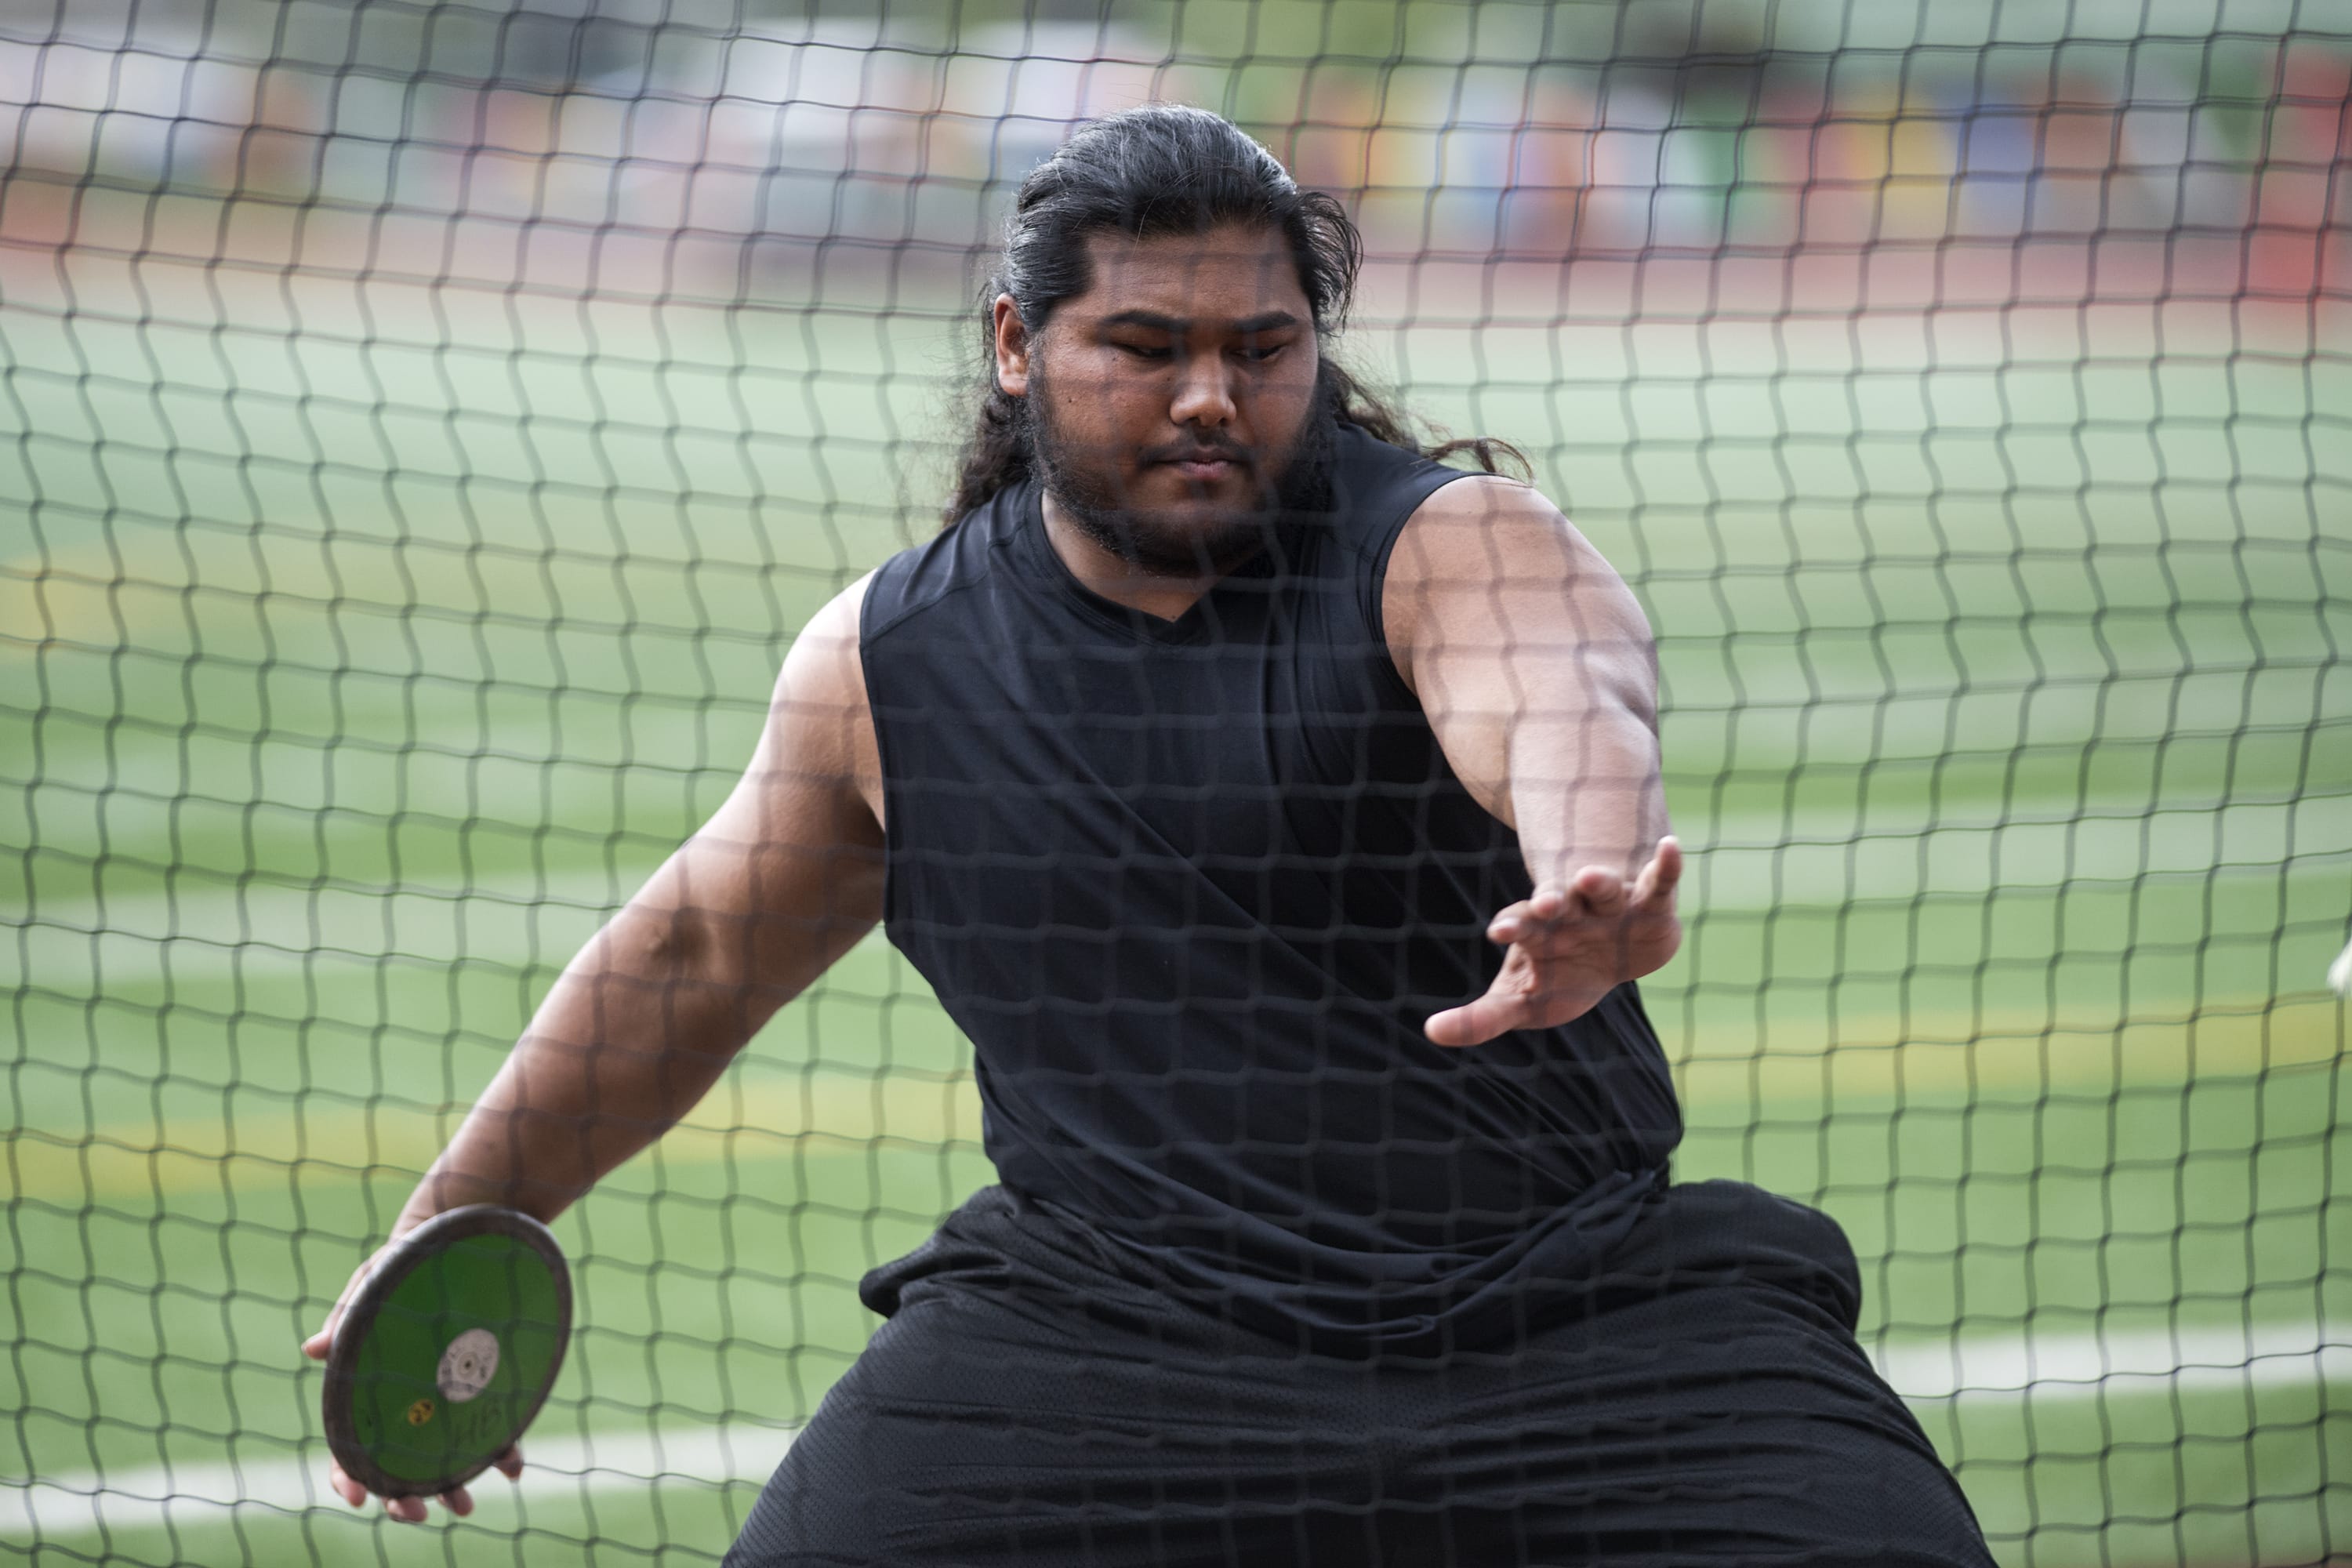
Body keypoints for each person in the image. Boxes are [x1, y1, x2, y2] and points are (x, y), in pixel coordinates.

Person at [307, 105, 1993, 1565]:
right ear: (1017, 345)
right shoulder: (889, 665)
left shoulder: (1459, 547)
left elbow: (1561, 702)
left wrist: (1589, 871)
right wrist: (442, 1237)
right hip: (1111, 1336)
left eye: (1260, 351)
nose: (1210, 395)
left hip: (1583, 1317)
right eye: (1147, 346)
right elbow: (692, 956)